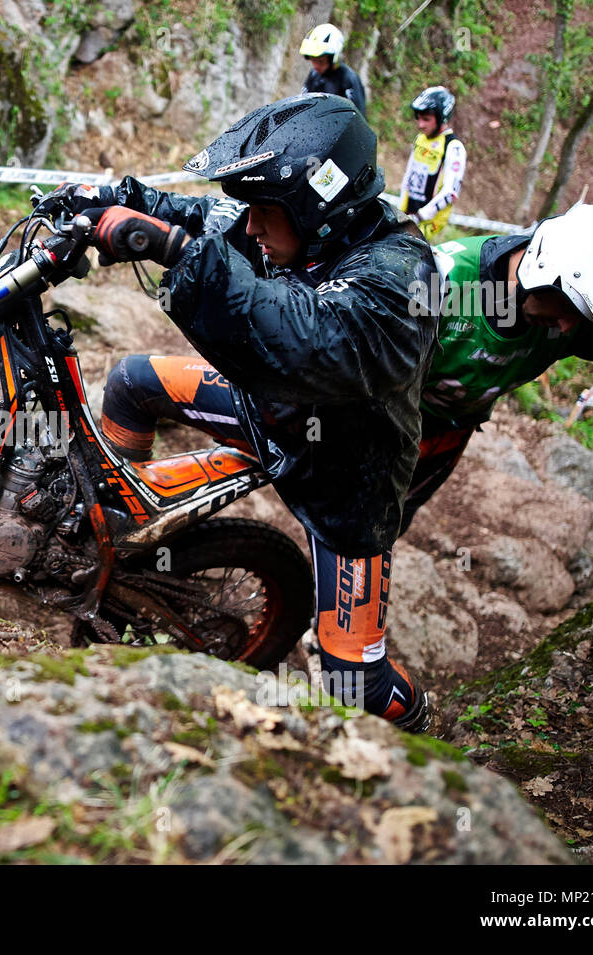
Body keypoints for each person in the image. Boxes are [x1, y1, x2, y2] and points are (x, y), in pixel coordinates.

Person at [45, 93, 440, 732]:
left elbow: (310, 338)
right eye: (254, 210)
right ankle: (126, 541)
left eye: (265, 212)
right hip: (268, 413)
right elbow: (207, 216)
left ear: (317, 210)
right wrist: (118, 199)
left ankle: (427, 722)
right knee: (131, 383)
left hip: (345, 476)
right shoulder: (287, 227)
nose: (252, 227)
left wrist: (173, 250)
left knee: (353, 685)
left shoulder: (401, 274)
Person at [401, 204, 593, 534]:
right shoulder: (442, 280)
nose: (567, 326)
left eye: (583, 316)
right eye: (570, 306)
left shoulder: (582, 306)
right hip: (381, 419)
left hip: (446, 436)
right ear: (543, 268)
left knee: (388, 523)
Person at [398, 86, 466, 240]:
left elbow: (450, 192)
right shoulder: (420, 139)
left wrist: (421, 216)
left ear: (441, 117)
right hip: (408, 217)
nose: (420, 124)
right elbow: (408, 177)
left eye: (426, 119)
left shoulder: (453, 147)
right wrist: (401, 212)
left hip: (430, 224)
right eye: (419, 118)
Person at [300, 23, 366, 116]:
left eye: (320, 61)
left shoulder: (348, 78)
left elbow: (358, 117)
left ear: (333, 58)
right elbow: (302, 105)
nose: (315, 66)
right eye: (313, 61)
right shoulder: (314, 75)